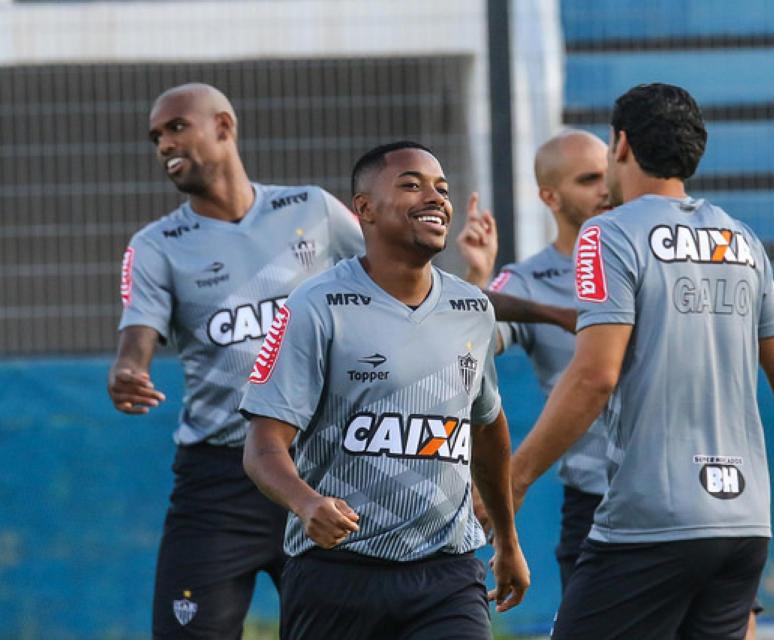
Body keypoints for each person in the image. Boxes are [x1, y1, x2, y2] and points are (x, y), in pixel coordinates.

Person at [508, 83, 774, 639]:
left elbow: (595, 375)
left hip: (651, 519)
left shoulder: (608, 234)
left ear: (620, 145)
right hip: (743, 525)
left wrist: (515, 477)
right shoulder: (740, 239)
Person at [239, 141, 530, 640]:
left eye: (441, 188)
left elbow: (487, 427)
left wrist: (507, 540)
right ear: (365, 209)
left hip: (447, 573)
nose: (435, 197)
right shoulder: (314, 306)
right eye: (411, 185)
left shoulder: (472, 309)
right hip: (337, 575)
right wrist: (307, 503)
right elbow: (262, 446)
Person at [107, 83, 365, 639]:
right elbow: (138, 329)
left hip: (321, 466)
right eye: (156, 136)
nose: (164, 144)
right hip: (219, 482)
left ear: (224, 127)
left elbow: (389, 277)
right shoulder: (156, 245)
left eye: (177, 127)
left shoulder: (313, 210)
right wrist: (130, 368)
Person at [460, 129, 611, 593]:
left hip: (681, 491)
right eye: (588, 180)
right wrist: (477, 277)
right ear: (550, 195)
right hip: (596, 502)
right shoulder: (526, 281)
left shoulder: (651, 257)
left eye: (609, 175)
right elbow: (464, 342)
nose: (606, 189)